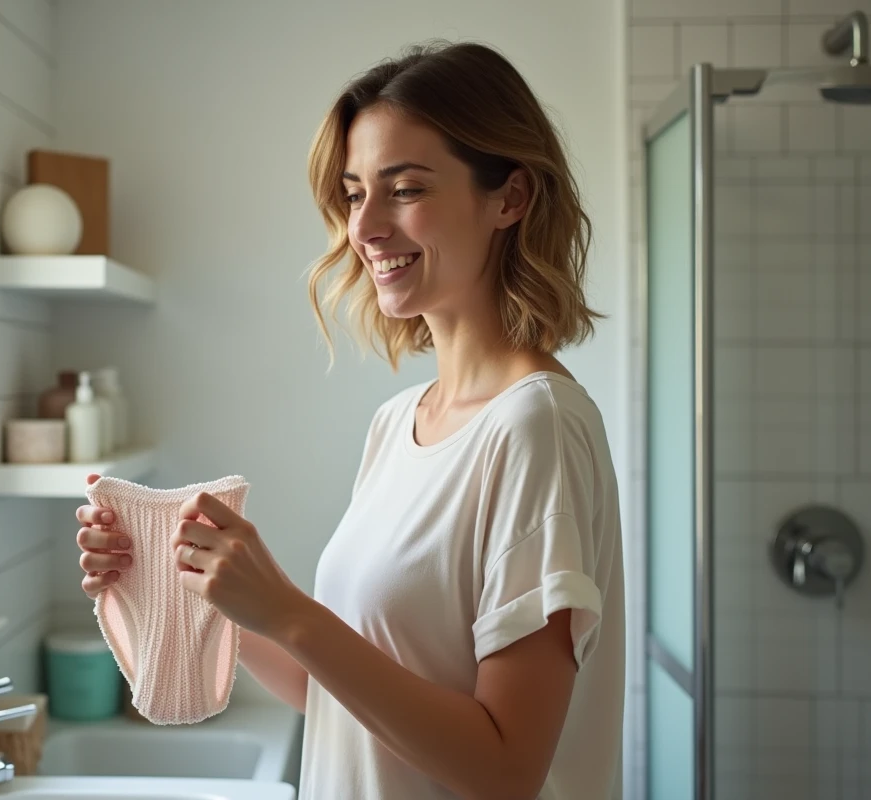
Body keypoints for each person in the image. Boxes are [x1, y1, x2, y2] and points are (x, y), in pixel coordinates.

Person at [74, 40, 624, 800]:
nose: (364, 227)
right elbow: (337, 696)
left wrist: (290, 612)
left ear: (510, 198)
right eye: (356, 192)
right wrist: (201, 585)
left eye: (405, 188)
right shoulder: (399, 424)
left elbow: (506, 768)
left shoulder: (535, 428)